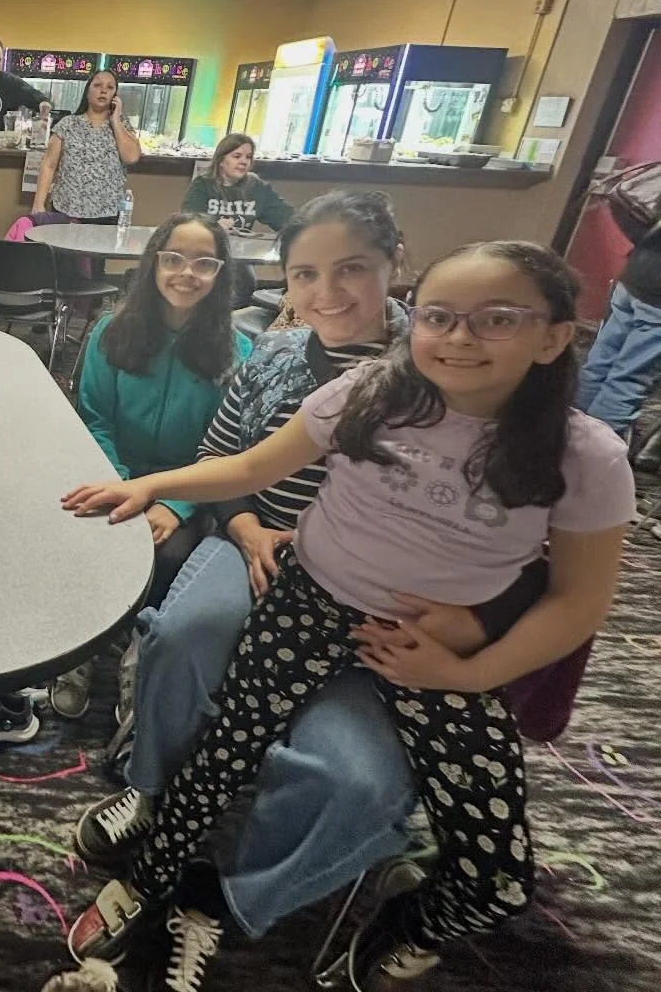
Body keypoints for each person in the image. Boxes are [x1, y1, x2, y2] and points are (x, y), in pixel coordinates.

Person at [59, 240, 633, 991]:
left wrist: (464, 669)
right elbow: (253, 464)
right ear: (415, 320)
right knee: (220, 755)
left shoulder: (584, 453)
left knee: (499, 870)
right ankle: (157, 875)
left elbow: (578, 601)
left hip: (430, 642)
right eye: (440, 317)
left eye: (497, 319)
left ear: (555, 334)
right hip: (309, 599)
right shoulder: (372, 392)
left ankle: (409, 917)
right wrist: (151, 486)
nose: (460, 337)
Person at [48, 214, 252, 721]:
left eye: (204, 263)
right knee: (89, 531)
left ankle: (138, 652)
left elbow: (225, 451)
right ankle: (80, 647)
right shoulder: (109, 332)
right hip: (113, 469)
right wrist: (125, 487)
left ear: (220, 273)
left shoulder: (238, 351)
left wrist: (176, 505)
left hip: (188, 486)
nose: (187, 273)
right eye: (174, 258)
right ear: (154, 263)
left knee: (168, 550)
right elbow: (94, 419)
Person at [577, 210, 661, 440]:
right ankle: (594, 451)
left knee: (597, 364)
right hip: (657, 301)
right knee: (629, 380)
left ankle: (568, 435)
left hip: (636, 273)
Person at [31, 69, 142, 221]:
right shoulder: (67, 124)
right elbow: (48, 165)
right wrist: (38, 204)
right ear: (87, 92)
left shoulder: (122, 126)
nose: (103, 90)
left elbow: (132, 157)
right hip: (66, 210)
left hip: (107, 214)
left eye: (110, 88)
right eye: (97, 85)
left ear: (115, 96)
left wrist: (115, 120)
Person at [182, 133, 292, 235]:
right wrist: (214, 227)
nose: (244, 161)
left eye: (248, 157)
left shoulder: (256, 186)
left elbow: (288, 221)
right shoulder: (202, 185)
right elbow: (189, 225)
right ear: (220, 160)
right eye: (237, 156)